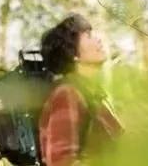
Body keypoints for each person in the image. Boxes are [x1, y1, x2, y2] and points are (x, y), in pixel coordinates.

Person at [38, 14, 123, 166]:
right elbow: (60, 161)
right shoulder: (66, 95)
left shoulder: (93, 96)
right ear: (73, 53)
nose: (98, 39)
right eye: (88, 35)